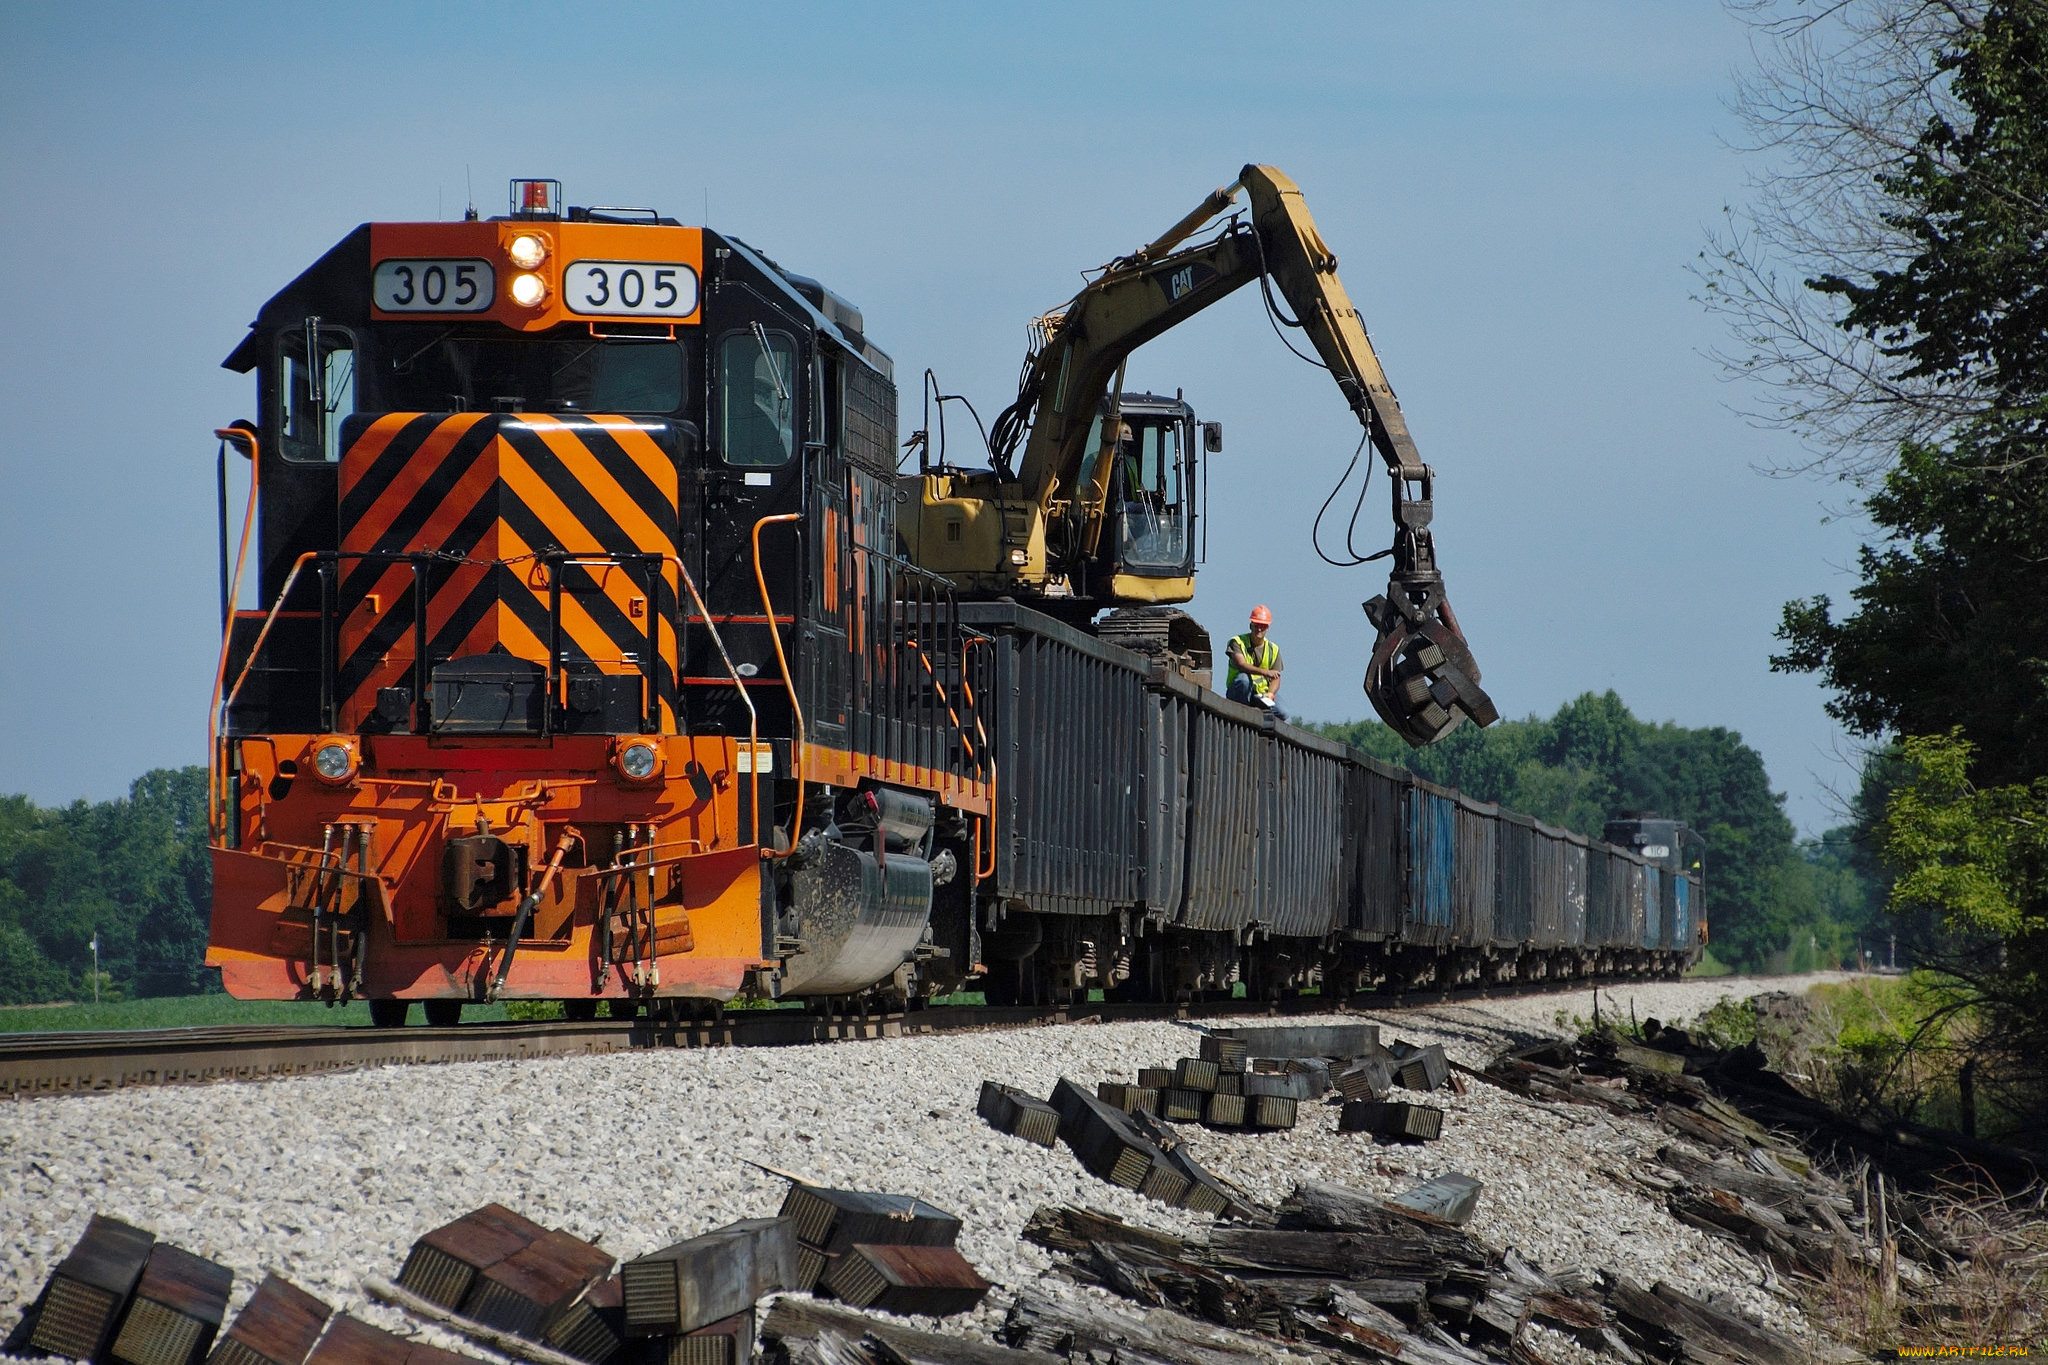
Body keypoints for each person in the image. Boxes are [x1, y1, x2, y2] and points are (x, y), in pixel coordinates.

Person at [1225, 605, 1283, 716]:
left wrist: (1270, 694)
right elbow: (1241, 665)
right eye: (1256, 625)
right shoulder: (1237, 642)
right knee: (1244, 679)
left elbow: (1276, 677)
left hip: (1260, 694)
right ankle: (1242, 714)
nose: (1259, 629)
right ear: (1251, 625)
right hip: (1239, 692)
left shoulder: (1273, 649)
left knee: (1282, 711)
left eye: (1263, 626)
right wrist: (1265, 672)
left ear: (1267, 628)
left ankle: (1259, 715)